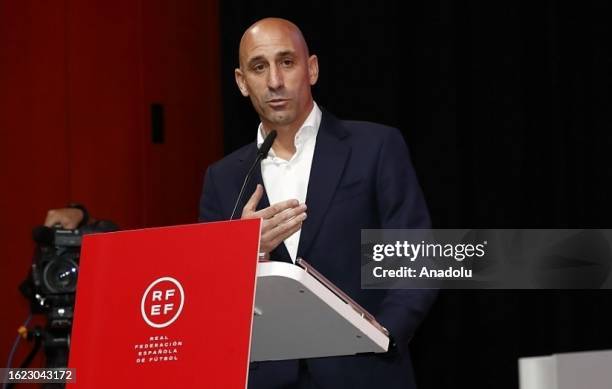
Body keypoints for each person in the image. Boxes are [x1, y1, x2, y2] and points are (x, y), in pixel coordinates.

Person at [199, 17, 437, 389]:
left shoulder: (374, 147)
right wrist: (242, 249)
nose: (275, 81)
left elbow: (416, 255)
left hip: (364, 373)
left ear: (311, 69)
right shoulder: (224, 178)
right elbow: (206, 293)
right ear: (242, 83)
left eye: (287, 62)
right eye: (259, 68)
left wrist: (383, 336)